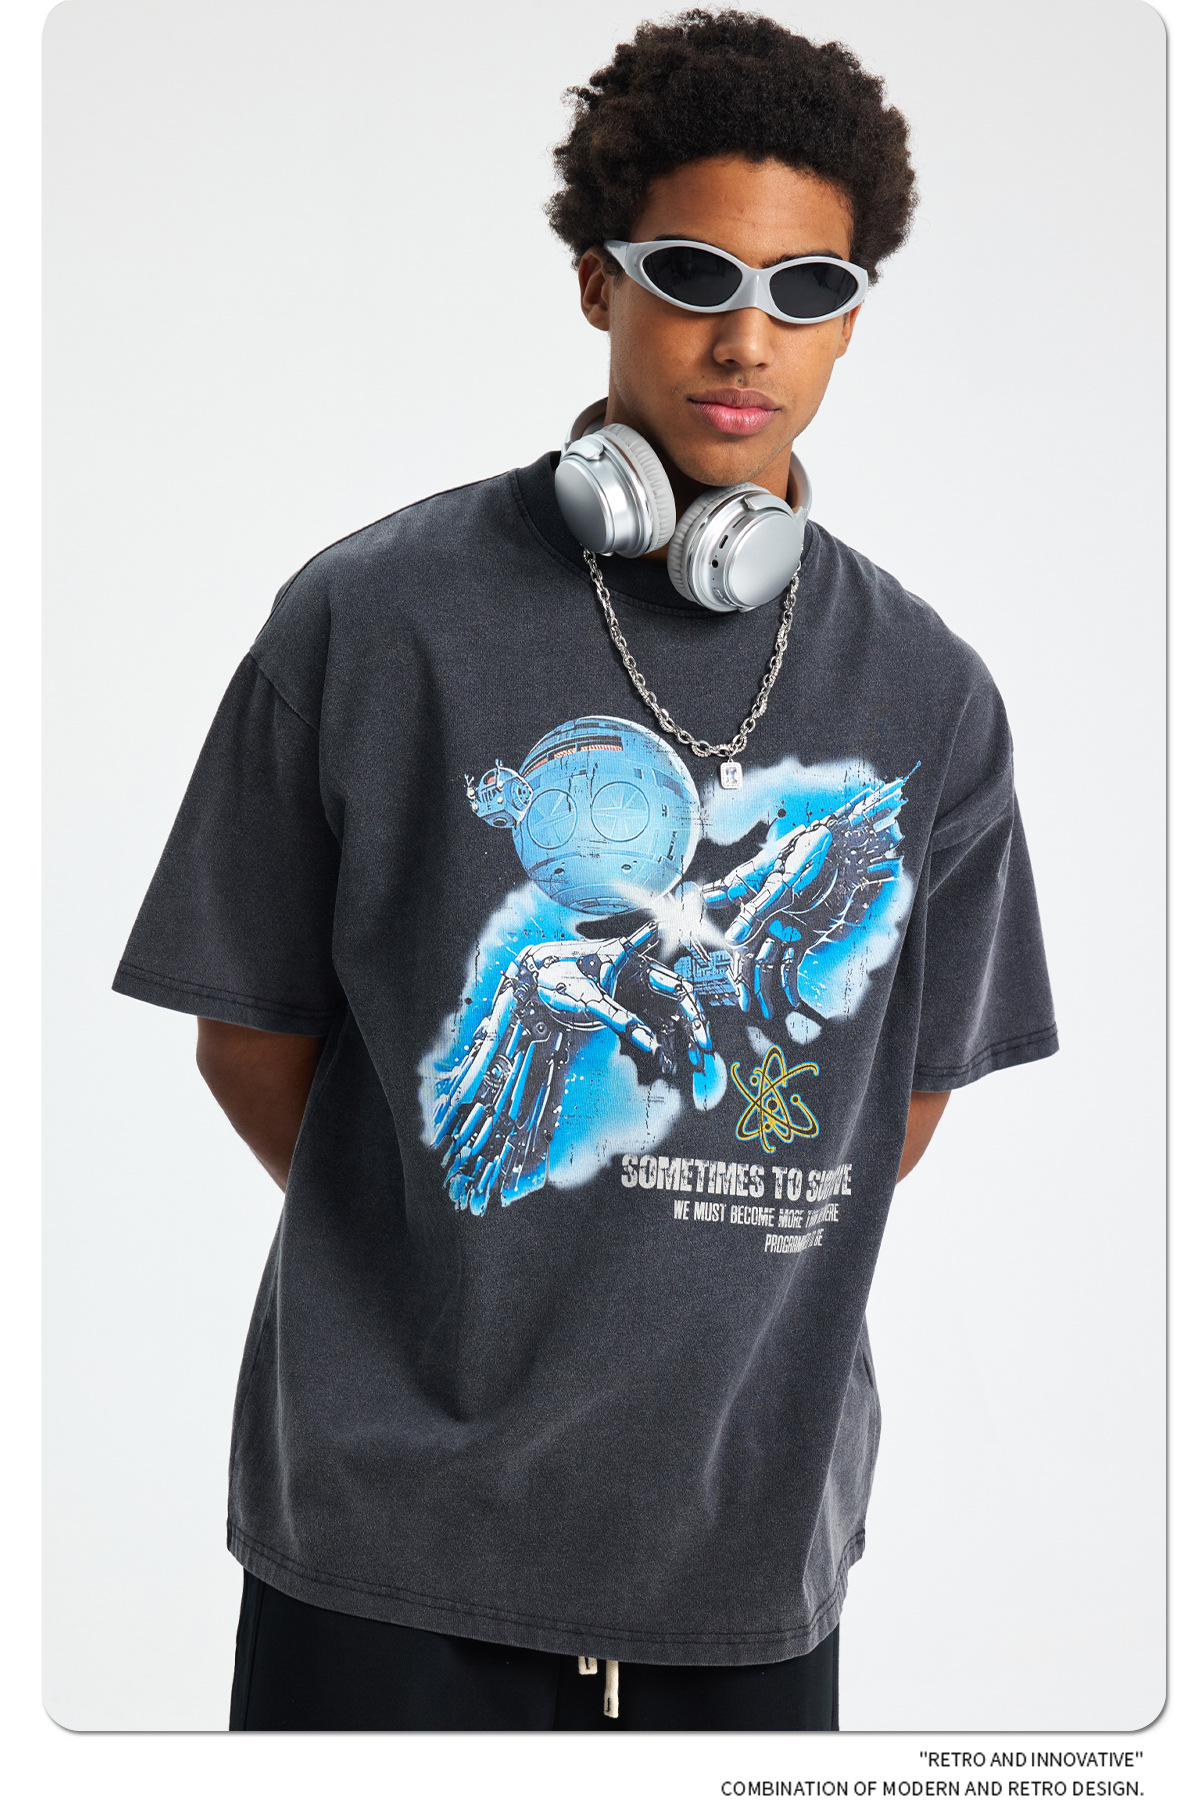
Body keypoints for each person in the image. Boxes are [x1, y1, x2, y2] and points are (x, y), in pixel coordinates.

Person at [113, 8, 1057, 1732]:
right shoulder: (375, 621)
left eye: (808, 291)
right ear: (594, 280)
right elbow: (246, 1036)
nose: (747, 338)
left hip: (743, 1552)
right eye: (693, 274)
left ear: (853, 321)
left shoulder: (928, 692)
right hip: (383, 1549)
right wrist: (462, 1230)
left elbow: (899, 1102)